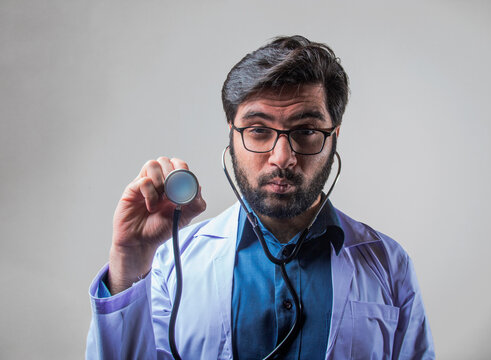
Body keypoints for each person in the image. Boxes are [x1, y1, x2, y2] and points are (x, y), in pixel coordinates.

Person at [86, 35, 435, 359]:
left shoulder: (388, 265)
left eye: (307, 131)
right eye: (258, 130)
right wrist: (130, 259)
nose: (282, 157)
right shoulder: (169, 264)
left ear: (334, 137)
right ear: (232, 136)